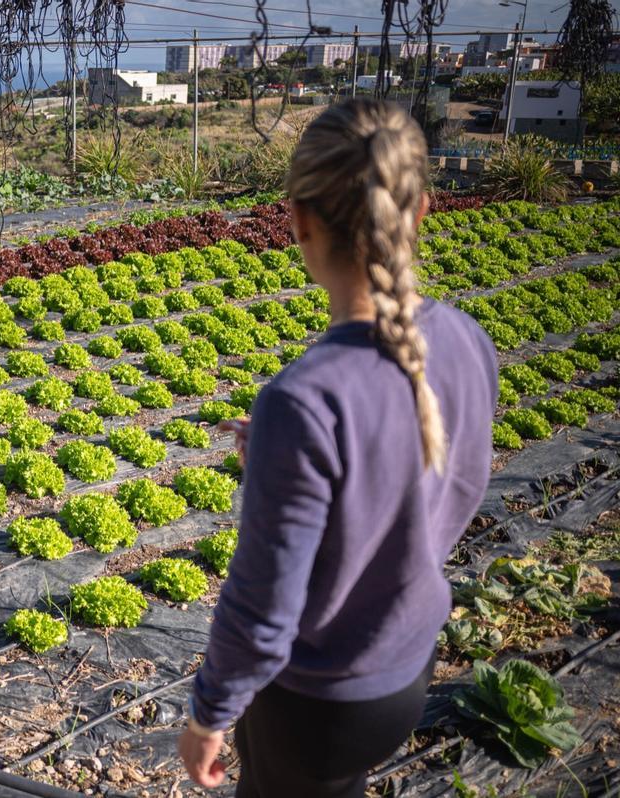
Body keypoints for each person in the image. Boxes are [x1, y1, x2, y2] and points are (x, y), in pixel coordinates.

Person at [177, 98, 499, 796]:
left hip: (317, 701)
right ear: (420, 212)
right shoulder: (466, 340)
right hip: (406, 669)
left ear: (297, 221)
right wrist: (286, 458)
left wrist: (210, 714)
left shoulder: (303, 401)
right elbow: (448, 482)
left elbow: (264, 607)